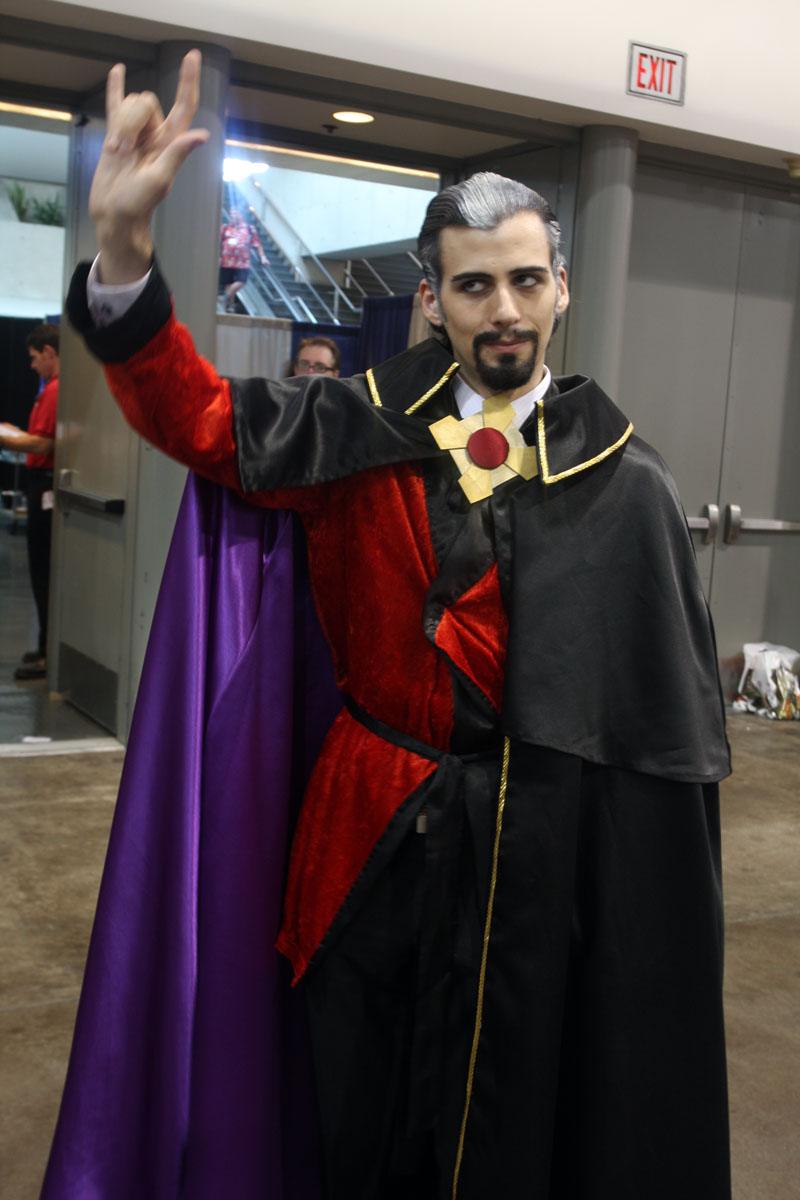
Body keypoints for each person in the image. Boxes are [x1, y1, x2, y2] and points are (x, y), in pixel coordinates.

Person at [52, 52, 733, 1199]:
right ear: (430, 298)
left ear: (562, 289)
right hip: (366, 844)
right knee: (353, 1120)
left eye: (524, 281)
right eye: (473, 286)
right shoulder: (353, 426)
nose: (502, 310)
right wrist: (122, 253)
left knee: (516, 1123)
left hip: (539, 864)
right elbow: (199, 419)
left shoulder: (631, 481)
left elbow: (660, 741)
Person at [0, 323, 59, 680]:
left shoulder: (54, 392)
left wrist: (6, 440)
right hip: (41, 485)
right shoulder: (49, 391)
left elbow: (42, 444)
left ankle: (48, 653)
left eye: (36, 358)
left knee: (44, 571)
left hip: (46, 486)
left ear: (50, 353)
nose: (32, 365)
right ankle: (44, 647)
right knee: (41, 570)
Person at [218, 205, 269, 312]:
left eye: (235, 213)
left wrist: (263, 257)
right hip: (226, 262)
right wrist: (218, 256)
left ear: (241, 214)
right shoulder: (225, 227)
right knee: (228, 284)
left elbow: (257, 244)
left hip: (242, 263)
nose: (232, 215)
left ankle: (225, 297)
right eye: (231, 213)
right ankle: (229, 308)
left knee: (241, 281)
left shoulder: (249, 229)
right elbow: (218, 243)